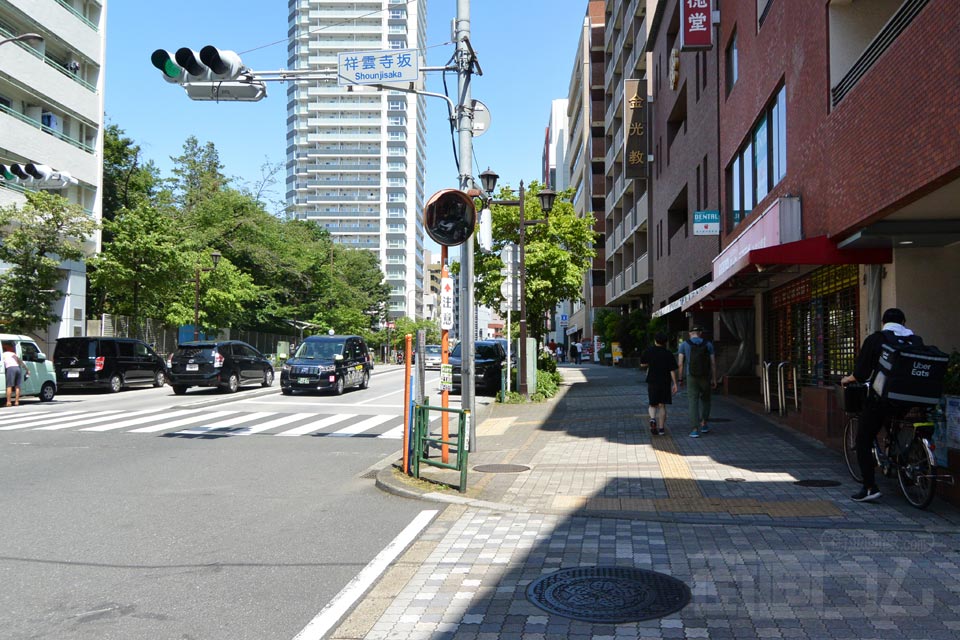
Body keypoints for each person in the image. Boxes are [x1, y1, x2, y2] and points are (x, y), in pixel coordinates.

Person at [840, 307, 912, 503]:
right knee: (896, 428)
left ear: (883, 322)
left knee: (863, 439)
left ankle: (870, 487)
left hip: (883, 399)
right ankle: (906, 469)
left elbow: (861, 373)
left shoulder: (876, 339)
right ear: (904, 322)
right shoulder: (915, 340)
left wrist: (848, 379)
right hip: (910, 400)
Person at [677, 326, 717, 438]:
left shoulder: (684, 345)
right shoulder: (708, 344)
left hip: (691, 376)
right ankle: (704, 423)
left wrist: (680, 378)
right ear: (700, 333)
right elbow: (713, 363)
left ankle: (694, 429)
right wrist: (714, 378)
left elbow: (680, 363)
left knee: (693, 401)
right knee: (706, 400)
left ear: (690, 334)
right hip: (705, 376)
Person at [639, 332, 679, 435]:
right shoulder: (668, 353)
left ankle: (652, 419)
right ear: (665, 342)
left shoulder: (648, 351)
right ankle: (661, 429)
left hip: (652, 380)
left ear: (655, 340)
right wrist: (675, 383)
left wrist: (650, 363)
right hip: (665, 381)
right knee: (662, 405)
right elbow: (672, 370)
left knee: (652, 404)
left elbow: (642, 364)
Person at [2, 342, 28, 407]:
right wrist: (27, 369)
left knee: (9, 386)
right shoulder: (13, 354)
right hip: (17, 368)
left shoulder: (3, 354)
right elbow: (20, 362)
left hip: (10, 368)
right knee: (17, 386)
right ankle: (16, 402)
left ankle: (8, 402)